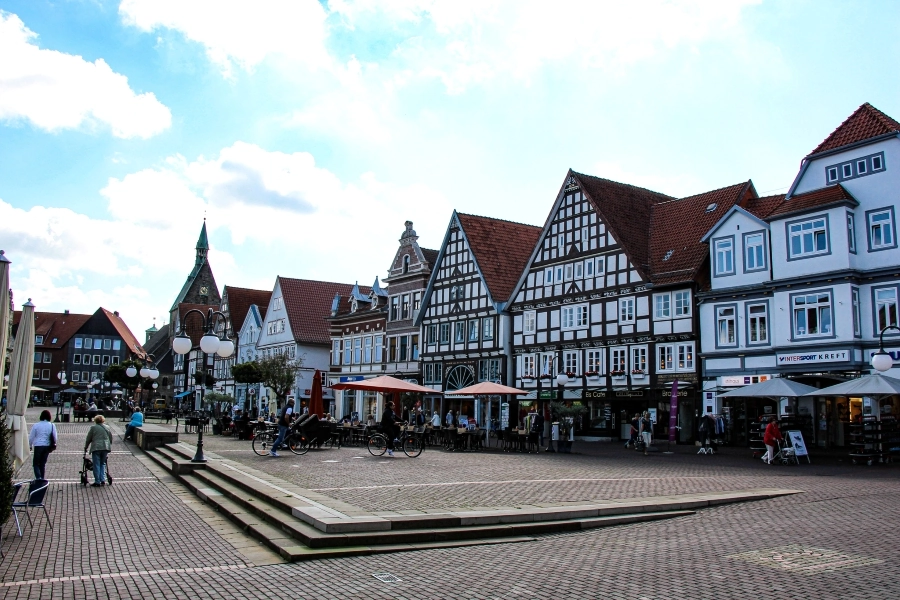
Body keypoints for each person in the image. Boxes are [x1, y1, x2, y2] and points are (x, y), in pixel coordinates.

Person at [84, 414, 113, 486]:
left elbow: (88, 438)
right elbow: (110, 437)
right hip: (105, 447)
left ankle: (97, 481)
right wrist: (109, 444)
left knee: (96, 464)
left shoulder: (93, 428)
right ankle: (102, 479)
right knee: (102, 463)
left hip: (96, 447)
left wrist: (86, 447)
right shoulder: (107, 427)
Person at [29, 410, 58, 480]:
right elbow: (55, 437)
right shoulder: (52, 425)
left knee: (35, 464)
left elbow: (31, 437)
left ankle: (38, 477)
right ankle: (42, 478)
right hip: (47, 446)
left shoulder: (36, 425)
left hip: (38, 445)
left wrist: (30, 445)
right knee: (42, 464)